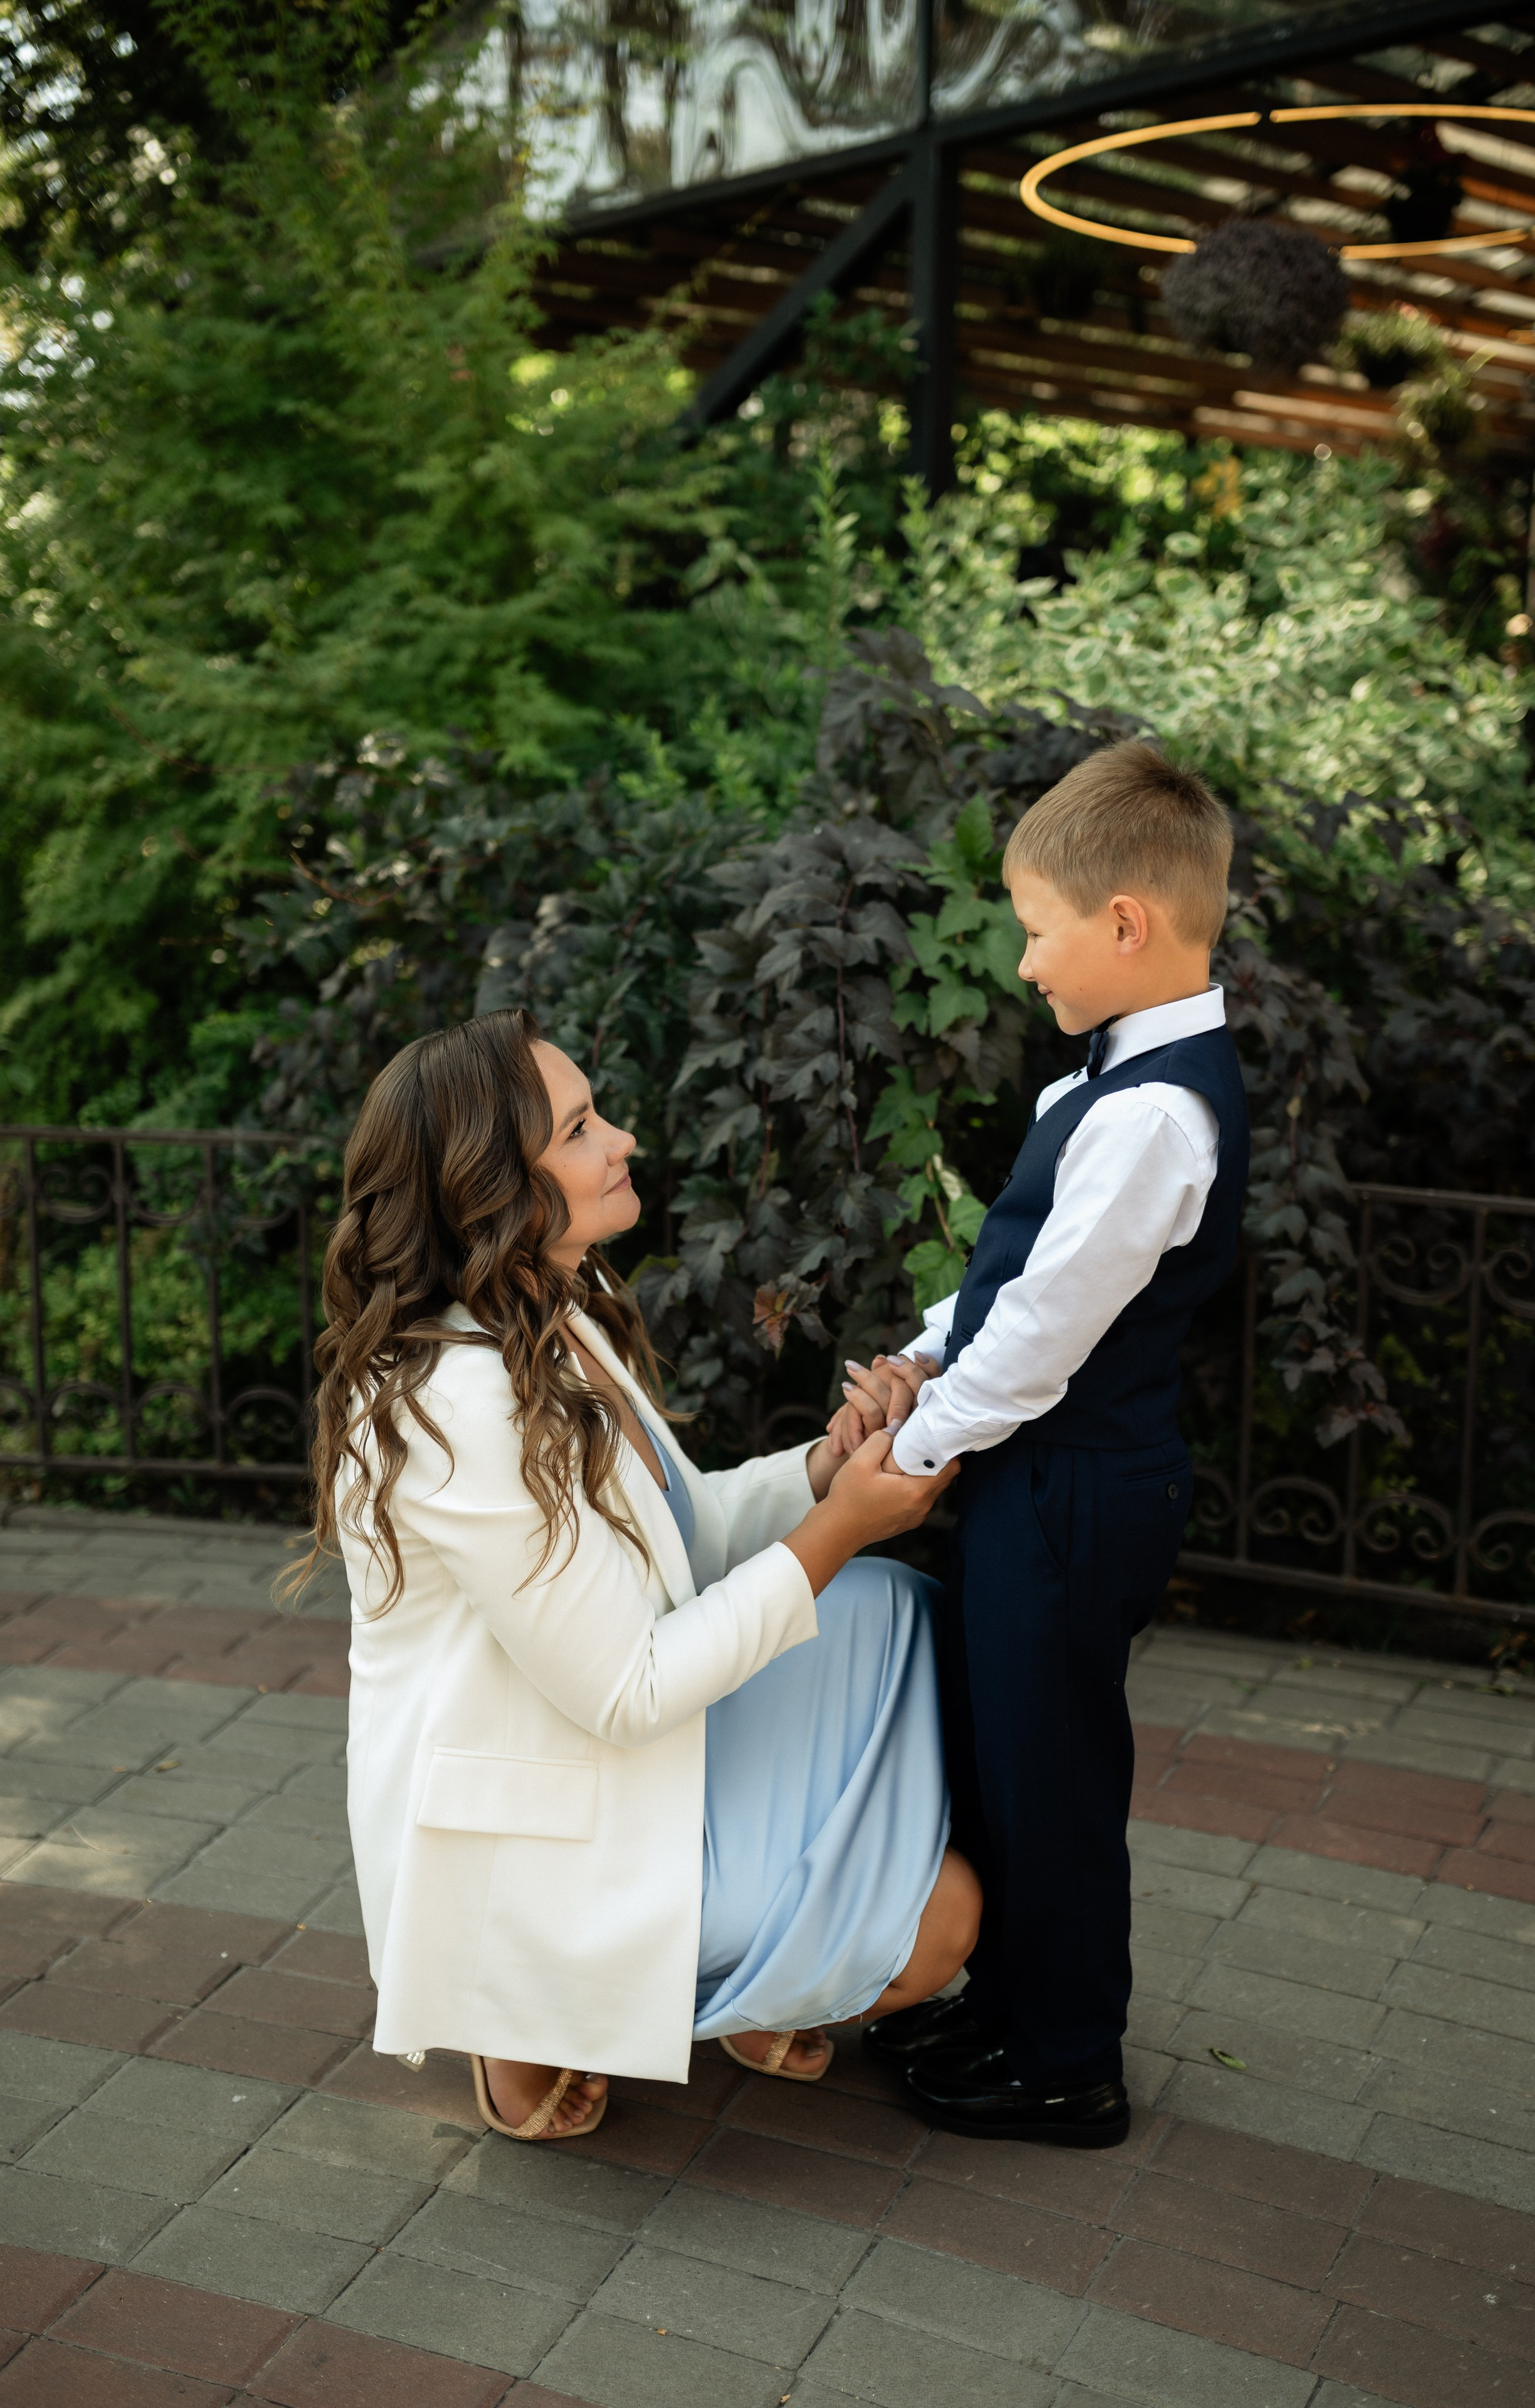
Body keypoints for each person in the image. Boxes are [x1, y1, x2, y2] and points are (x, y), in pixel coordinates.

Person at [295, 1006, 976, 2141]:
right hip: (547, 1831)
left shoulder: (542, 1309)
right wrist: (842, 1529)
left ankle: (744, 1966)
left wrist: (822, 1472)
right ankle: (519, 2008)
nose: (622, 1141)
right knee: (944, 1927)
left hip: (621, 1747)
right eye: (579, 1129)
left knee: (887, 1609)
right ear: (490, 1186)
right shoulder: (455, 1401)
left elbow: (687, 1529)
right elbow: (628, 1690)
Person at [836, 741, 1248, 2148]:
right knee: (1003, 1750)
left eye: (1033, 933)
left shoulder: (1152, 1115)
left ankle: (1065, 2061)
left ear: (1121, 924)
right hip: (1039, 1475)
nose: (1024, 967)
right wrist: (916, 1353)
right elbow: (1009, 1291)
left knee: (1053, 1770)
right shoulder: (1100, 1086)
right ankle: (1005, 2001)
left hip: (1079, 1487)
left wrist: (915, 1448)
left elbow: (1046, 1338)